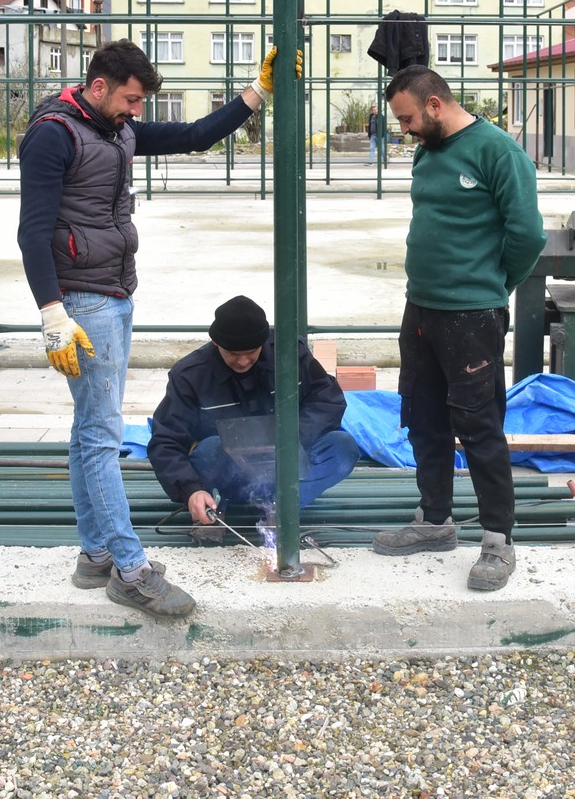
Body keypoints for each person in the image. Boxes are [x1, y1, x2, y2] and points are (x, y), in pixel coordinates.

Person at [16, 37, 294, 618]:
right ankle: (129, 567)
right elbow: (32, 230)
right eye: (132, 99)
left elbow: (193, 136)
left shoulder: (114, 130)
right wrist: (52, 314)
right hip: (82, 305)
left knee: (88, 431)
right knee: (100, 436)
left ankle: (94, 553)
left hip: (114, 294)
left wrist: (259, 91)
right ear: (98, 87)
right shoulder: (53, 135)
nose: (137, 111)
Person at [372, 64, 545, 591]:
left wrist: (491, 287)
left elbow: (528, 236)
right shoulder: (429, 151)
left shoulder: (498, 151)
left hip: (472, 316)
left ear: (434, 105)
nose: (402, 129)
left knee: (478, 426)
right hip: (420, 309)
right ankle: (435, 521)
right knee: (424, 420)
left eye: (405, 118)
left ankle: (497, 542)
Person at [147, 296, 358, 541]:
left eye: (252, 352)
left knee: (342, 447)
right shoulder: (190, 376)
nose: (244, 361)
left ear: (264, 343)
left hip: (287, 468)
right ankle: (212, 510)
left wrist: (292, 437)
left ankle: (282, 508)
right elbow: (165, 441)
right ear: (216, 343)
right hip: (230, 475)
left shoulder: (290, 354)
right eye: (234, 354)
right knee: (209, 449)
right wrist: (190, 490)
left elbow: (328, 400)